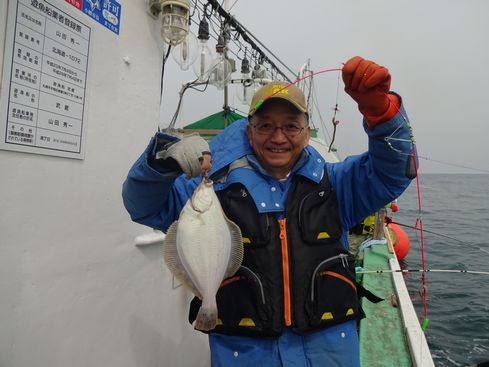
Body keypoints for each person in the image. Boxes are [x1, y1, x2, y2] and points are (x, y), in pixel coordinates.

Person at [122, 56, 415, 367]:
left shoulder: (338, 185)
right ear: (249, 133)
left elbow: (393, 172)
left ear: (306, 132)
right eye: (265, 126)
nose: (278, 138)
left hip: (330, 357)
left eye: (291, 126)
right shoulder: (211, 189)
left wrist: (382, 115)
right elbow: (144, 205)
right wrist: (161, 162)